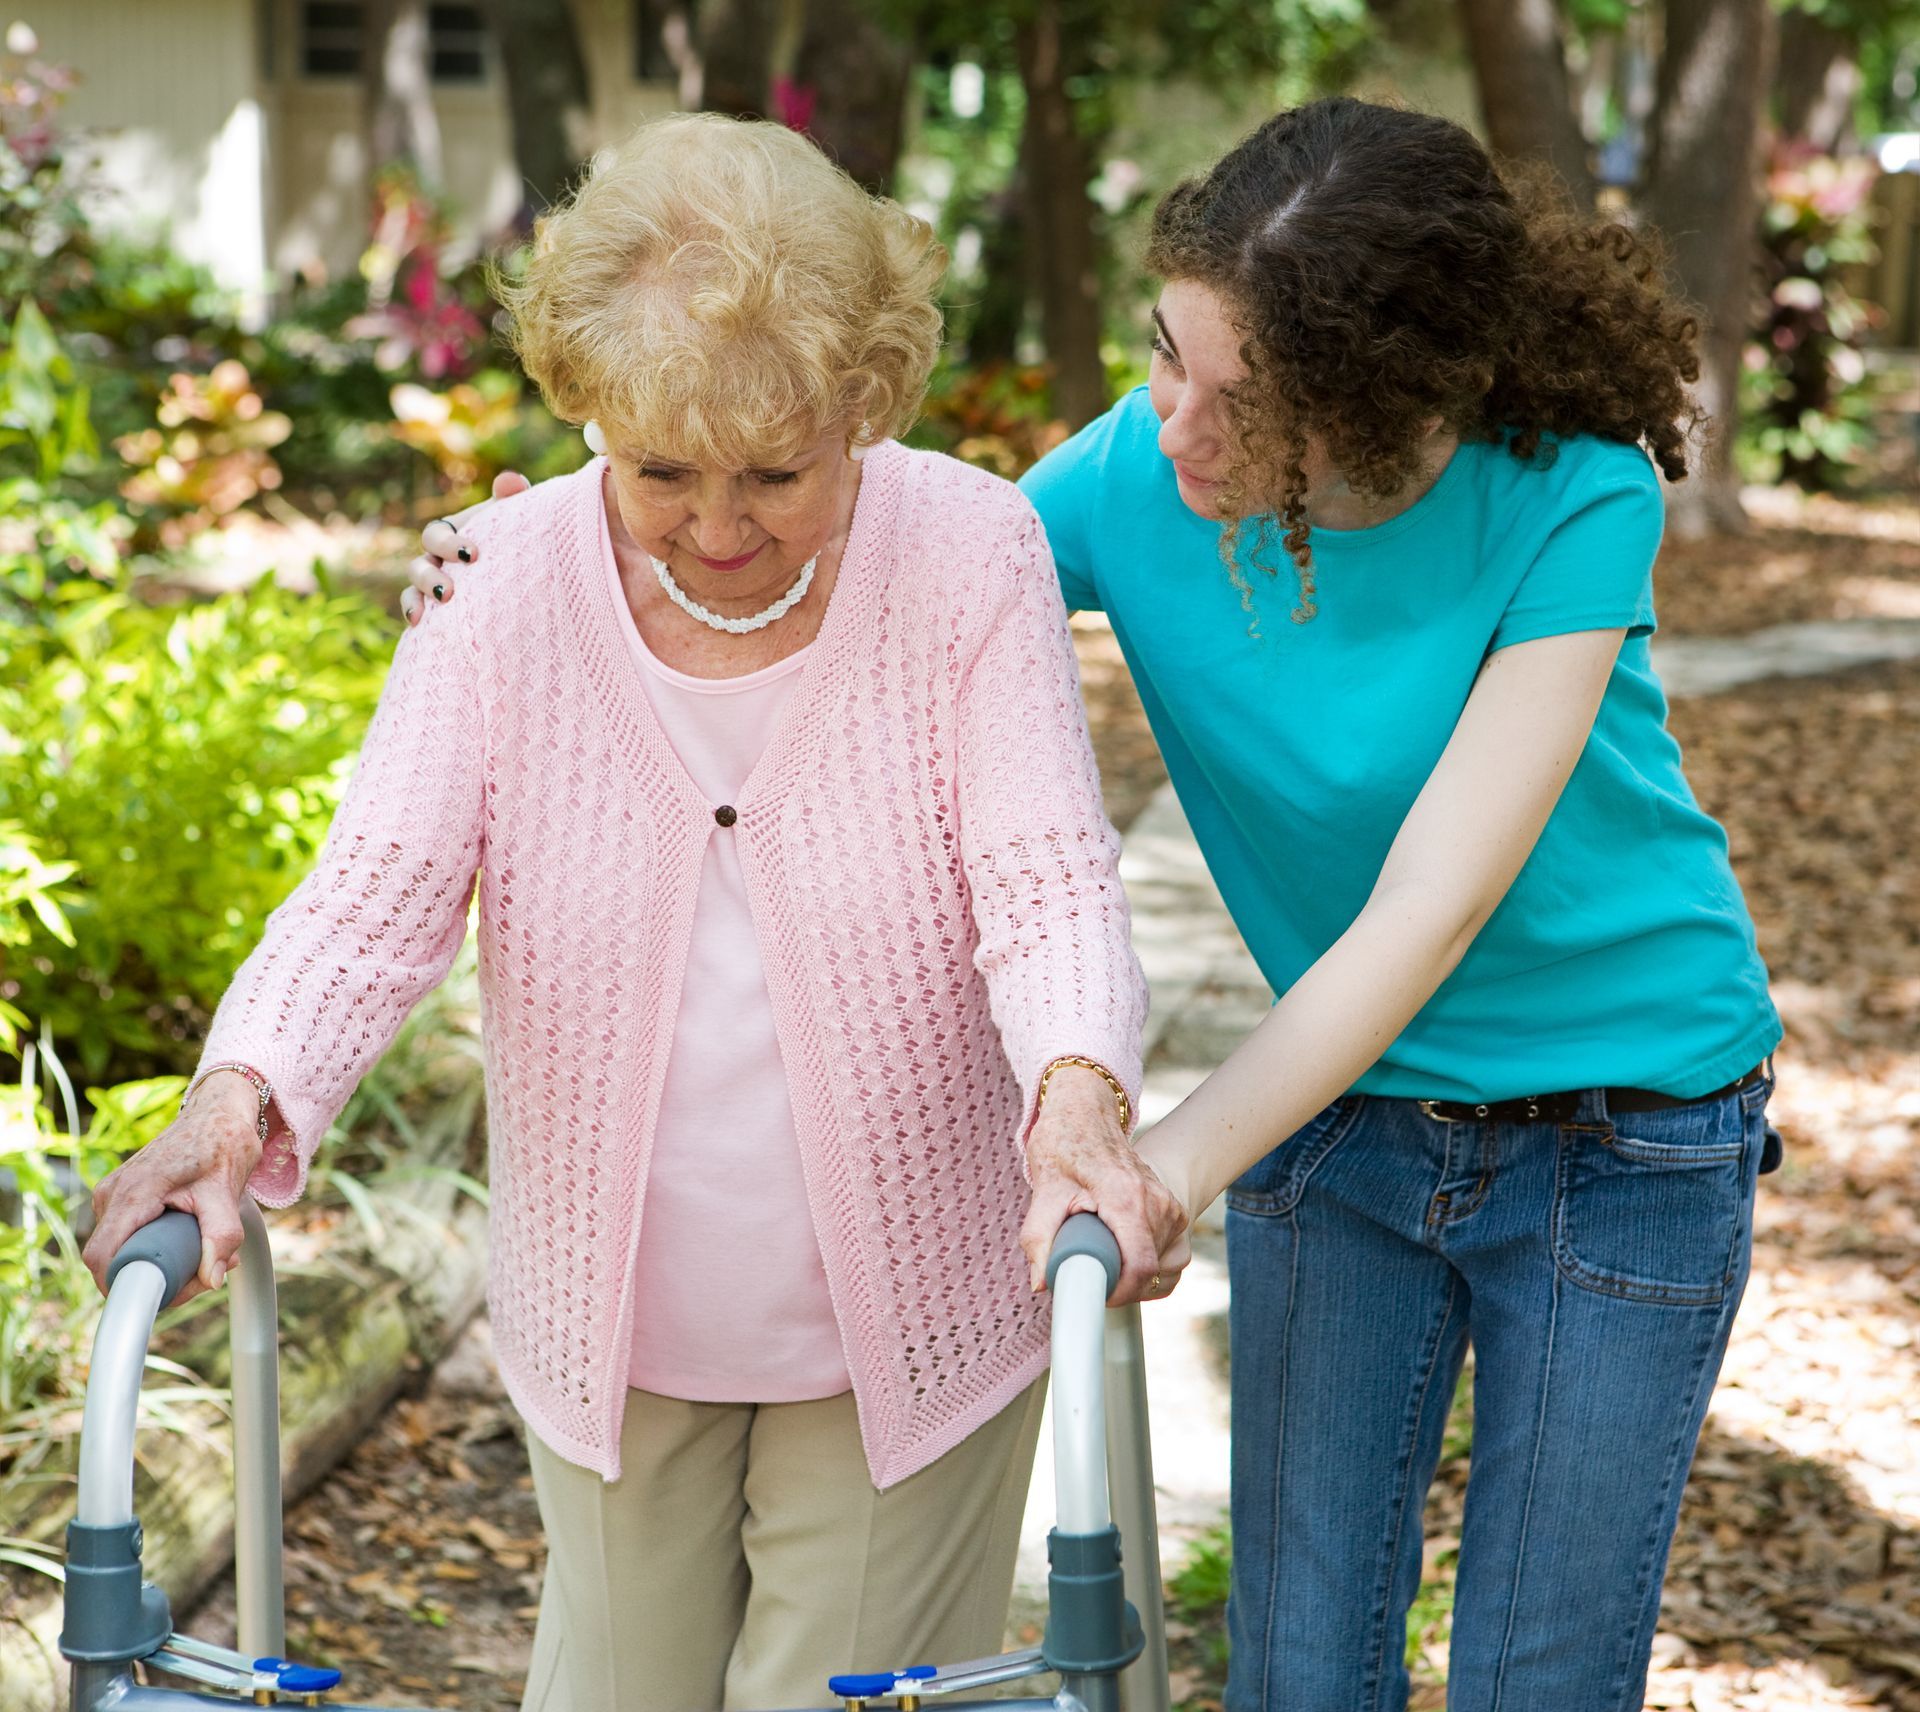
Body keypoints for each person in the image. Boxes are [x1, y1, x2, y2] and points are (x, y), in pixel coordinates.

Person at [413, 97, 1782, 1712]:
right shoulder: (1142, 471)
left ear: (1382, 402)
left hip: (1622, 1128)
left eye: (1242, 402)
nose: (1173, 424)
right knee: (1297, 1667)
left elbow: (1425, 916)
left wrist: (1155, 1164)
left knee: (1533, 1680)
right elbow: (891, 558)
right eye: (1162, 354)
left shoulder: (1570, 495)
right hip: (1345, 1125)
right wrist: (559, 559)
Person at [84, 113, 1164, 1712]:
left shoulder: (967, 550)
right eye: (660, 471)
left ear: (864, 402)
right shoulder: (500, 584)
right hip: (613, 1333)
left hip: (914, 1328)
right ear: (589, 408)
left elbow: (1043, 875)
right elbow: (372, 897)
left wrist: (1080, 1097)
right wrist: (237, 1098)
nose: (719, 531)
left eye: (776, 473)